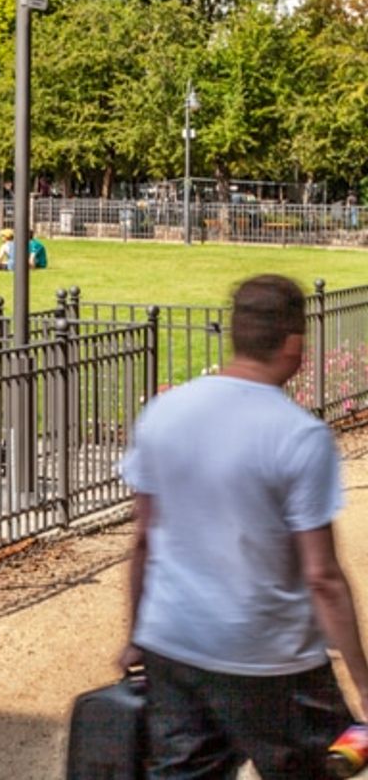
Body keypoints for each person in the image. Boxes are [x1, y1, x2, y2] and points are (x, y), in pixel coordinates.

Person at [119, 275, 368, 775]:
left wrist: (134, 634)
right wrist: (364, 683)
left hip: (173, 641)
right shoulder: (300, 436)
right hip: (269, 657)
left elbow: (143, 539)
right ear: (294, 345)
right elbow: (321, 576)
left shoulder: (162, 413)